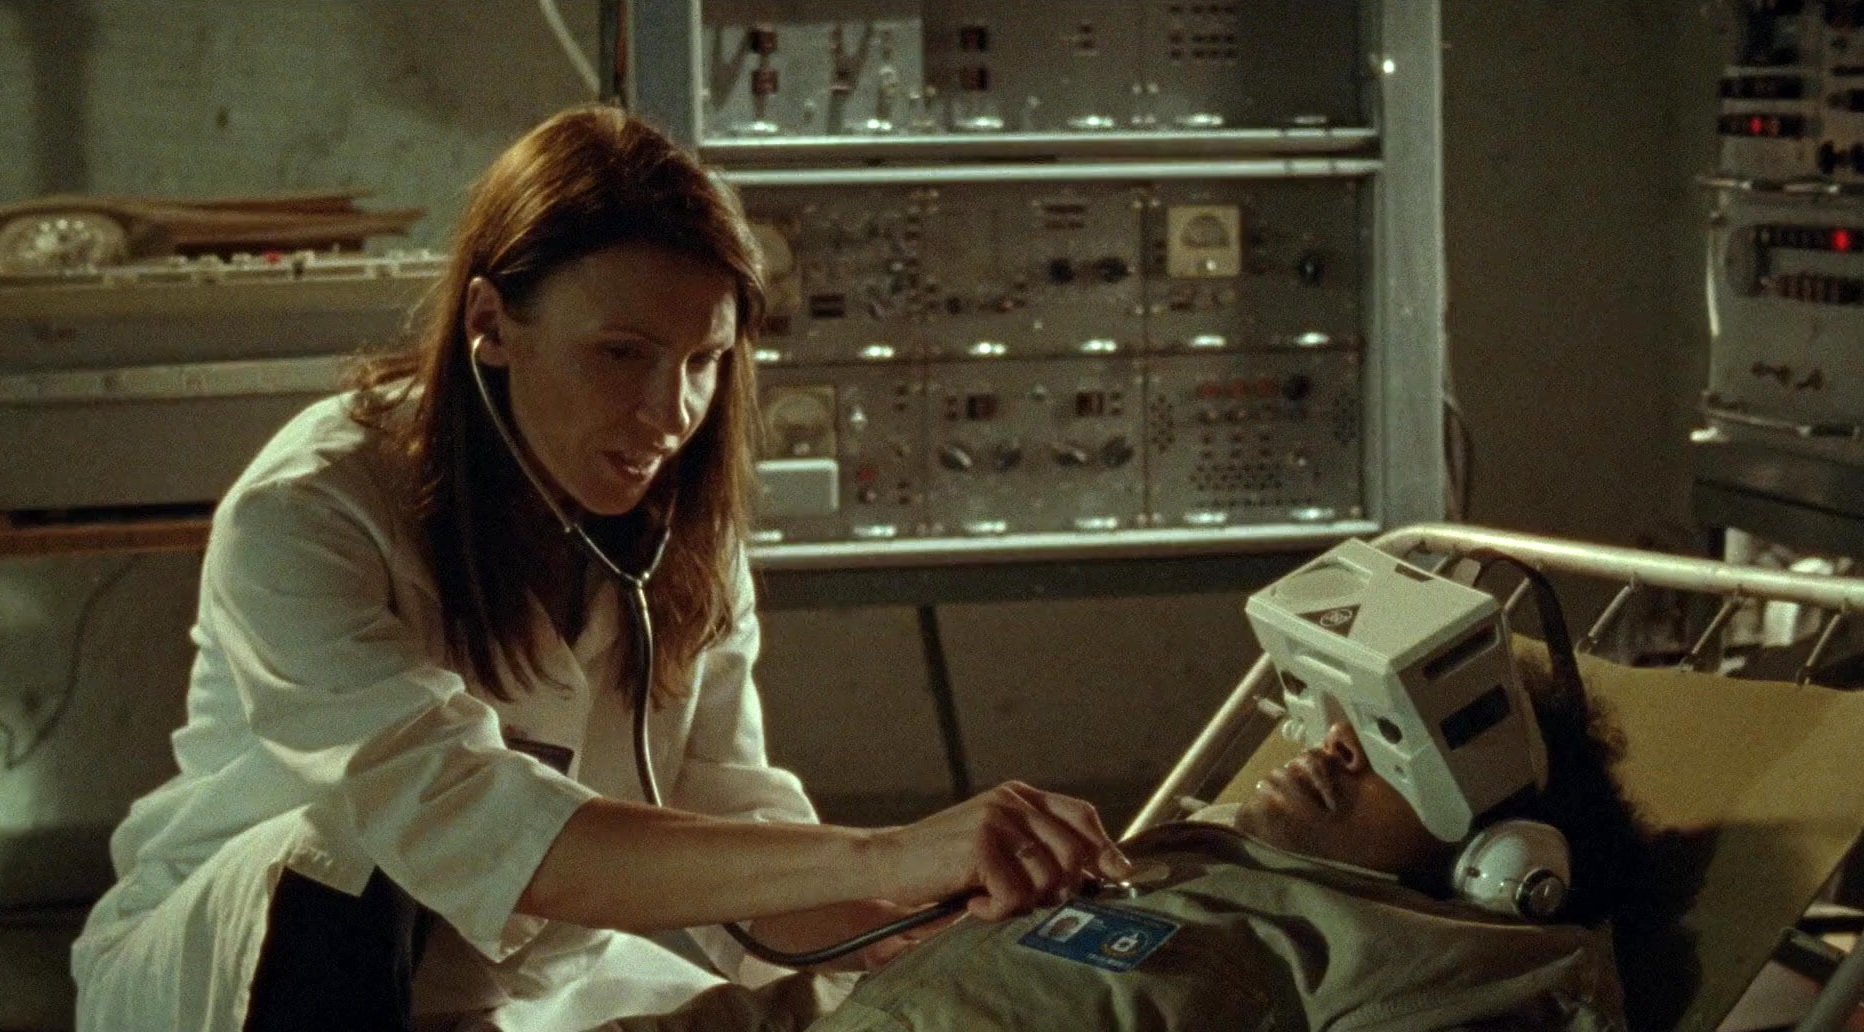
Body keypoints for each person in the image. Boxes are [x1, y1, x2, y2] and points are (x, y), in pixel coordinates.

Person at [69, 104, 1132, 1032]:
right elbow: (466, 818)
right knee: (333, 860)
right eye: (622, 353)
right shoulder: (311, 509)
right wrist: (888, 853)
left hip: (522, 983)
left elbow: (730, 829)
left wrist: (920, 914)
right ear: (491, 325)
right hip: (250, 972)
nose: (671, 413)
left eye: (704, 361)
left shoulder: (675, 531)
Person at [794, 660, 1672, 1032]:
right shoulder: (1188, 861)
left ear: (1504, 857)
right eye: (1367, 719)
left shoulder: (1446, 964)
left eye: (1407, 751)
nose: (1340, 743)